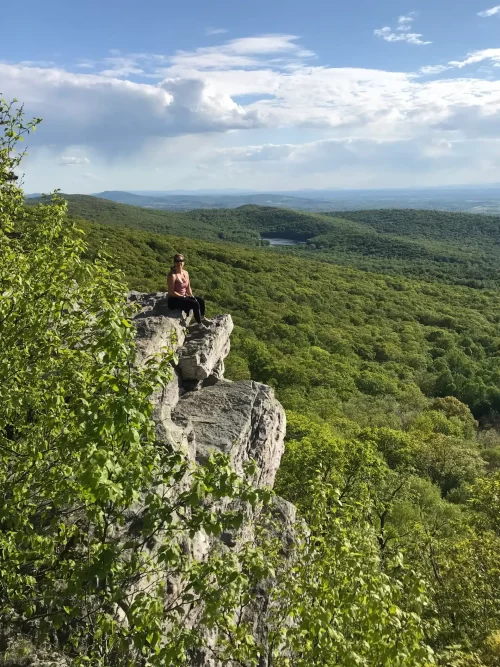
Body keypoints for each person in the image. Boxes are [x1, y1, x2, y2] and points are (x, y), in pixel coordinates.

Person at [167, 253, 212, 330]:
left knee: (200, 301)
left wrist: (191, 296)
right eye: (177, 261)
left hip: (184, 296)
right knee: (195, 304)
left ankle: (202, 318)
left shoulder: (186, 273)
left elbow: (188, 287)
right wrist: (183, 296)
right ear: (174, 262)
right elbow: (171, 292)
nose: (179, 263)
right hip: (174, 299)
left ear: (183, 262)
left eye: (181, 261)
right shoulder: (172, 275)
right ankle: (199, 325)